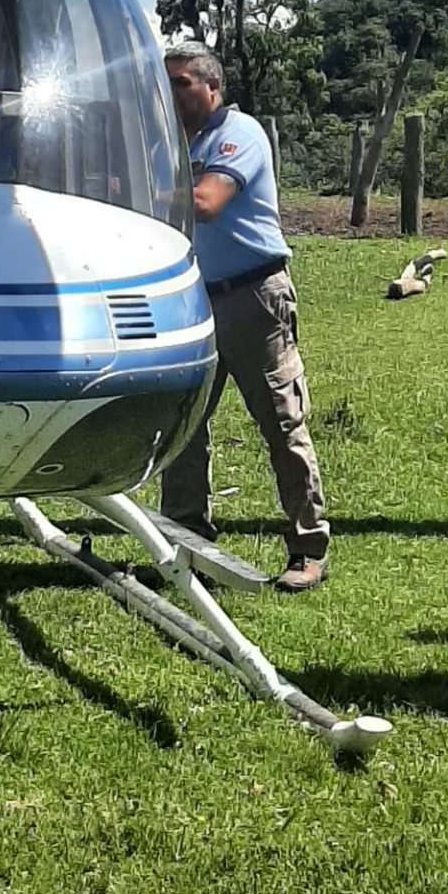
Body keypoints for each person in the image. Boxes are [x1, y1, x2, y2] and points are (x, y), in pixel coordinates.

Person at [159, 42, 329, 593]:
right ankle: (187, 544)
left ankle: (308, 548)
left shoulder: (239, 134)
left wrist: (132, 189)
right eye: (166, 82)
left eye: (182, 82)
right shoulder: (172, 142)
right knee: (183, 427)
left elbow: (205, 203)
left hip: (253, 298)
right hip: (193, 298)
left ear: (213, 87)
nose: (171, 93)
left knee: (281, 422)